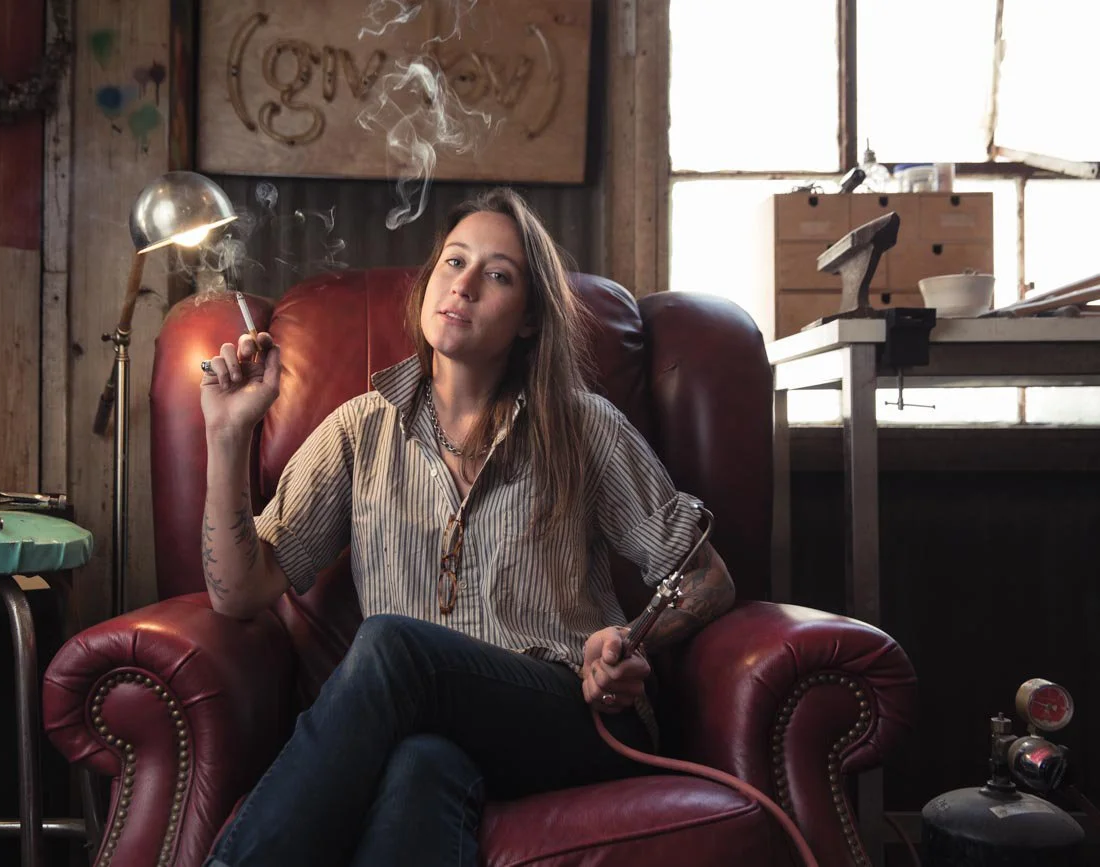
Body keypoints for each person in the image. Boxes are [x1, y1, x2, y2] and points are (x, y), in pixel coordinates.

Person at [197, 188, 735, 867]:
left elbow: (707, 577)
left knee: (392, 645)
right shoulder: (361, 430)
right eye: (454, 261)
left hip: (571, 715)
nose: (465, 284)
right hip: (433, 730)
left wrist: (629, 641)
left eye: (498, 274)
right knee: (422, 764)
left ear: (530, 319)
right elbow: (238, 593)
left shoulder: (584, 426)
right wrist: (227, 433)